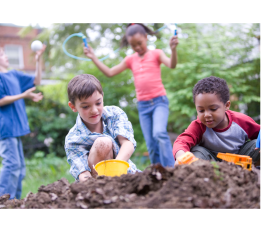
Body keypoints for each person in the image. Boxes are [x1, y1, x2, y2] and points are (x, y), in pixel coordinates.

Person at [83, 23, 179, 167]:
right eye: (133, 45)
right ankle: (158, 172)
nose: (137, 47)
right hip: (143, 106)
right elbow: (110, 72)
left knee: (159, 133)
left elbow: (172, 64)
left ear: (146, 38)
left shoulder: (156, 53)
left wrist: (173, 50)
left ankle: (172, 169)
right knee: (151, 143)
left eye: (140, 43)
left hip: (159, 101)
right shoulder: (130, 59)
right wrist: (93, 57)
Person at [0, 44, 46, 199]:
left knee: (20, 167)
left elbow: (36, 80)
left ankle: (15, 203)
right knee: (12, 165)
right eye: (2, 54)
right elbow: (1, 100)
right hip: (7, 128)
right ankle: (2, 202)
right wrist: (23, 95)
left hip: (16, 128)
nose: (6, 56)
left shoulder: (14, 75)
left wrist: (38, 61)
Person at [64, 74, 140, 182]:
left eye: (98, 103)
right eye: (86, 106)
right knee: (103, 143)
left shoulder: (115, 114)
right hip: (96, 183)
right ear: (73, 106)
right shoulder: (73, 138)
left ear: (102, 97)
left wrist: (116, 168)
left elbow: (128, 143)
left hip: (124, 175)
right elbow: (83, 174)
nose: (94, 110)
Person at [173, 76, 260, 165]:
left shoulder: (241, 121)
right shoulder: (199, 125)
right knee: (196, 151)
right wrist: (181, 157)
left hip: (240, 162)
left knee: (257, 144)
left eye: (213, 109)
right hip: (210, 164)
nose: (206, 115)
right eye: (201, 110)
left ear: (226, 105)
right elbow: (182, 141)